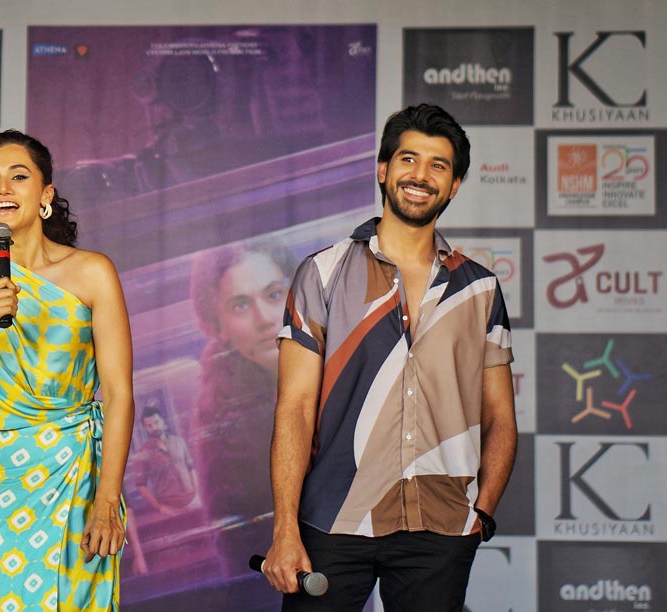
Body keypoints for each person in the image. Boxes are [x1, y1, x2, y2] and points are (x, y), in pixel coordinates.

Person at [262, 104, 518, 611]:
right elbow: (294, 408)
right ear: (383, 170)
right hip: (332, 519)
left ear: (455, 185)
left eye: (438, 166)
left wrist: (481, 514)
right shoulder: (322, 273)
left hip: (441, 528)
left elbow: (500, 417)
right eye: (408, 159)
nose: (420, 176)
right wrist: (285, 526)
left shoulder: (480, 288)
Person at [0, 129, 134, 612]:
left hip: (74, 480)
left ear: (45, 196)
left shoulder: (93, 273)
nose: (3, 189)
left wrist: (106, 500)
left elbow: (119, 395)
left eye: (18, 177)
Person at [189, 240, 297, 578]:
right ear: (218, 327)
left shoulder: (346, 358)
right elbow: (240, 551)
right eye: (240, 306)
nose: (265, 319)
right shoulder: (221, 420)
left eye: (274, 295)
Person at [133, 404, 198, 515]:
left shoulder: (179, 442)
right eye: (149, 426)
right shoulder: (142, 453)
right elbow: (140, 485)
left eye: (156, 422)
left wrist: (197, 494)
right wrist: (159, 508)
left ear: (163, 421)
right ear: (145, 428)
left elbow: (191, 468)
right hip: (168, 507)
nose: (154, 427)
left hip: (192, 502)